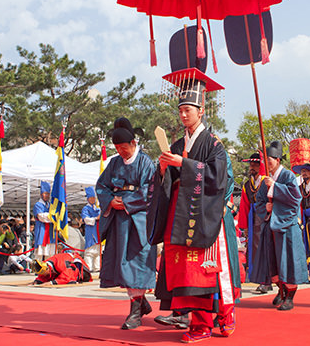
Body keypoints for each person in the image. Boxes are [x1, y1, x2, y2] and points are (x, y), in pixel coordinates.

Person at [149, 69, 241, 342]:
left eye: (188, 110)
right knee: (188, 272)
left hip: (205, 214)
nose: (183, 115)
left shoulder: (214, 145)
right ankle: (199, 324)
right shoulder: (177, 144)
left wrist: (185, 164)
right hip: (180, 216)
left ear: (201, 111)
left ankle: (225, 315)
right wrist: (164, 170)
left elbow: (218, 177)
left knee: (212, 269)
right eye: (180, 110)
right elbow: (168, 179)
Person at [96, 117, 157, 330]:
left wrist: (127, 202)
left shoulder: (145, 162)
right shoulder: (114, 163)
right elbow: (101, 185)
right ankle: (140, 304)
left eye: (124, 148)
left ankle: (135, 312)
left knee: (137, 262)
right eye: (117, 149)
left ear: (133, 143)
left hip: (139, 220)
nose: (121, 152)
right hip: (118, 220)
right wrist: (110, 201)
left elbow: (150, 190)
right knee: (121, 263)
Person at [251, 140, 308, 311]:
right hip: (271, 225)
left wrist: (275, 187)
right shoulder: (266, 179)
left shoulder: (288, 176)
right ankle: (280, 290)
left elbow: (295, 199)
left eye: (269, 160)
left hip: (287, 226)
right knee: (273, 262)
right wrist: (266, 208)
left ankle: (289, 296)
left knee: (288, 261)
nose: (267, 163)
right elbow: (259, 201)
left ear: (277, 160)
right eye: (265, 160)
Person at [237, 152, 270, 293]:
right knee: (256, 250)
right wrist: (244, 226)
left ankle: (267, 280)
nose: (252, 167)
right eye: (250, 165)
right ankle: (262, 280)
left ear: (261, 166)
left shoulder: (266, 181)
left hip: (266, 218)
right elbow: (244, 206)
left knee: (266, 249)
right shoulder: (247, 185)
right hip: (253, 220)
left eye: (255, 165)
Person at [33, 181, 56, 261]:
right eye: (45, 193)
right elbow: (41, 217)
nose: (47, 196)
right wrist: (53, 217)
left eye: (48, 194)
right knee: (39, 252)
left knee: (49, 253)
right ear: (41, 194)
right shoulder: (38, 205)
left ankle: (47, 267)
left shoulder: (50, 205)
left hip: (50, 232)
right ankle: (37, 266)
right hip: (41, 230)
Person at [81, 187, 101, 272]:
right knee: (90, 251)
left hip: (98, 231)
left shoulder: (97, 209)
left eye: (94, 197)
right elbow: (86, 220)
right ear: (88, 198)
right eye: (91, 198)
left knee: (98, 251)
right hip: (90, 231)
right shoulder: (85, 209)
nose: (93, 199)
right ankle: (88, 268)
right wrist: (96, 218)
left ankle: (97, 267)